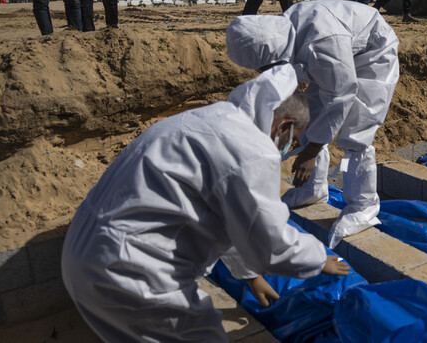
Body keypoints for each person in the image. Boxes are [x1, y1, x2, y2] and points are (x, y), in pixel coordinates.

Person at [61, 64, 351, 343]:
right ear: (284, 125)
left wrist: (250, 276)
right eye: (293, 139)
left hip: (85, 254)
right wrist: (317, 259)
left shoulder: (205, 119)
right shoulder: (252, 150)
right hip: (133, 273)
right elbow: (268, 241)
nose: (289, 147)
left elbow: (227, 216)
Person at [226, 0, 399, 248]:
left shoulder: (322, 43)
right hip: (339, 57)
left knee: (355, 135)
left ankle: (363, 207)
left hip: (372, 53)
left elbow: (342, 93)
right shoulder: (282, 33)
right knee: (309, 118)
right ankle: (312, 190)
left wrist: (311, 152)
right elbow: (292, 90)